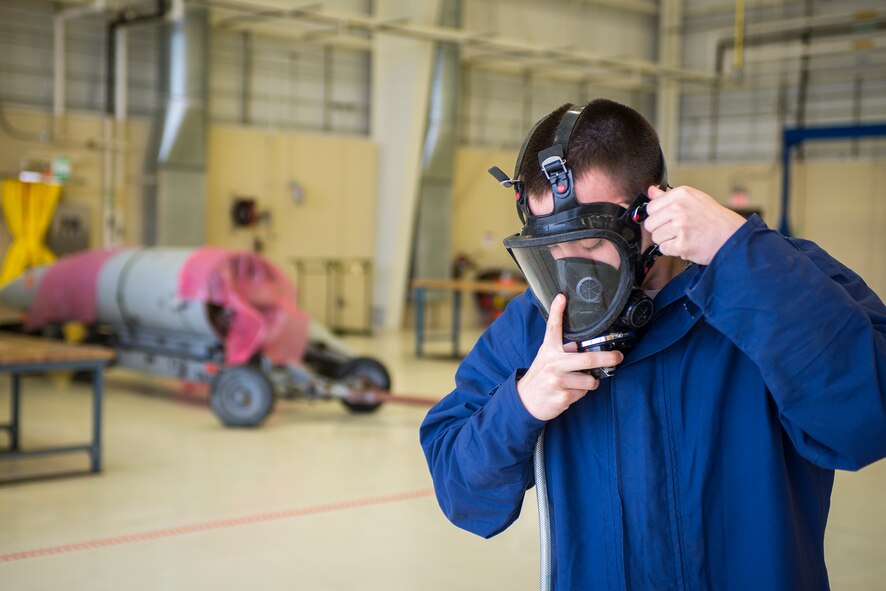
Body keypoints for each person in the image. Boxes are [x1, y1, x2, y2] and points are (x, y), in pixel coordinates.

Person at [419, 98, 886, 590]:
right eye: (551, 251)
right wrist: (522, 405)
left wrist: (740, 256)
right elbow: (461, 492)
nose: (572, 276)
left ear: (652, 210)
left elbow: (866, 420)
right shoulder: (535, 327)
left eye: (590, 245)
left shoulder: (778, 277)